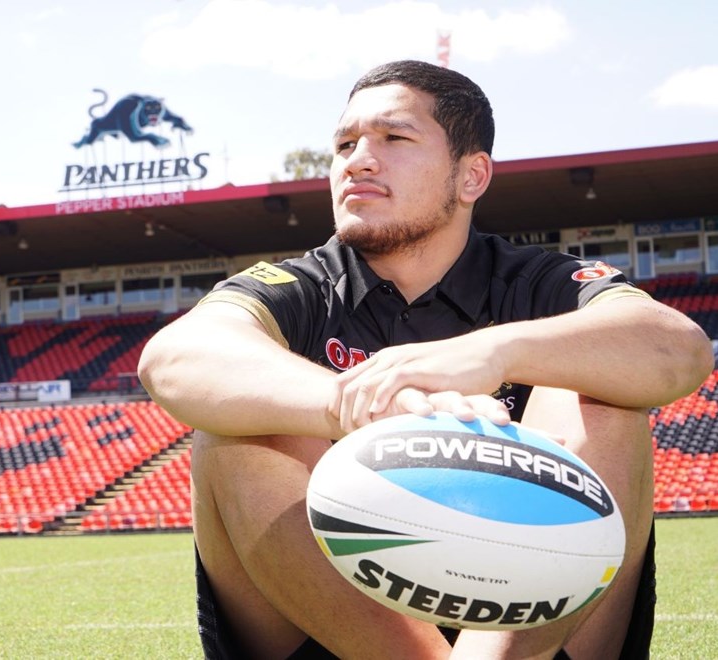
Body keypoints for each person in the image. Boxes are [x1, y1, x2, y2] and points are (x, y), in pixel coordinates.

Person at [138, 60, 712, 659]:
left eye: (394, 137)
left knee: (601, 394)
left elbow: (679, 348)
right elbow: (175, 358)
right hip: (336, 625)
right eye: (345, 144)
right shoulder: (299, 285)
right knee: (239, 425)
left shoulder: (539, 280)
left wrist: (490, 352)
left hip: (529, 626)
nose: (357, 160)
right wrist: (353, 402)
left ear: (471, 176)